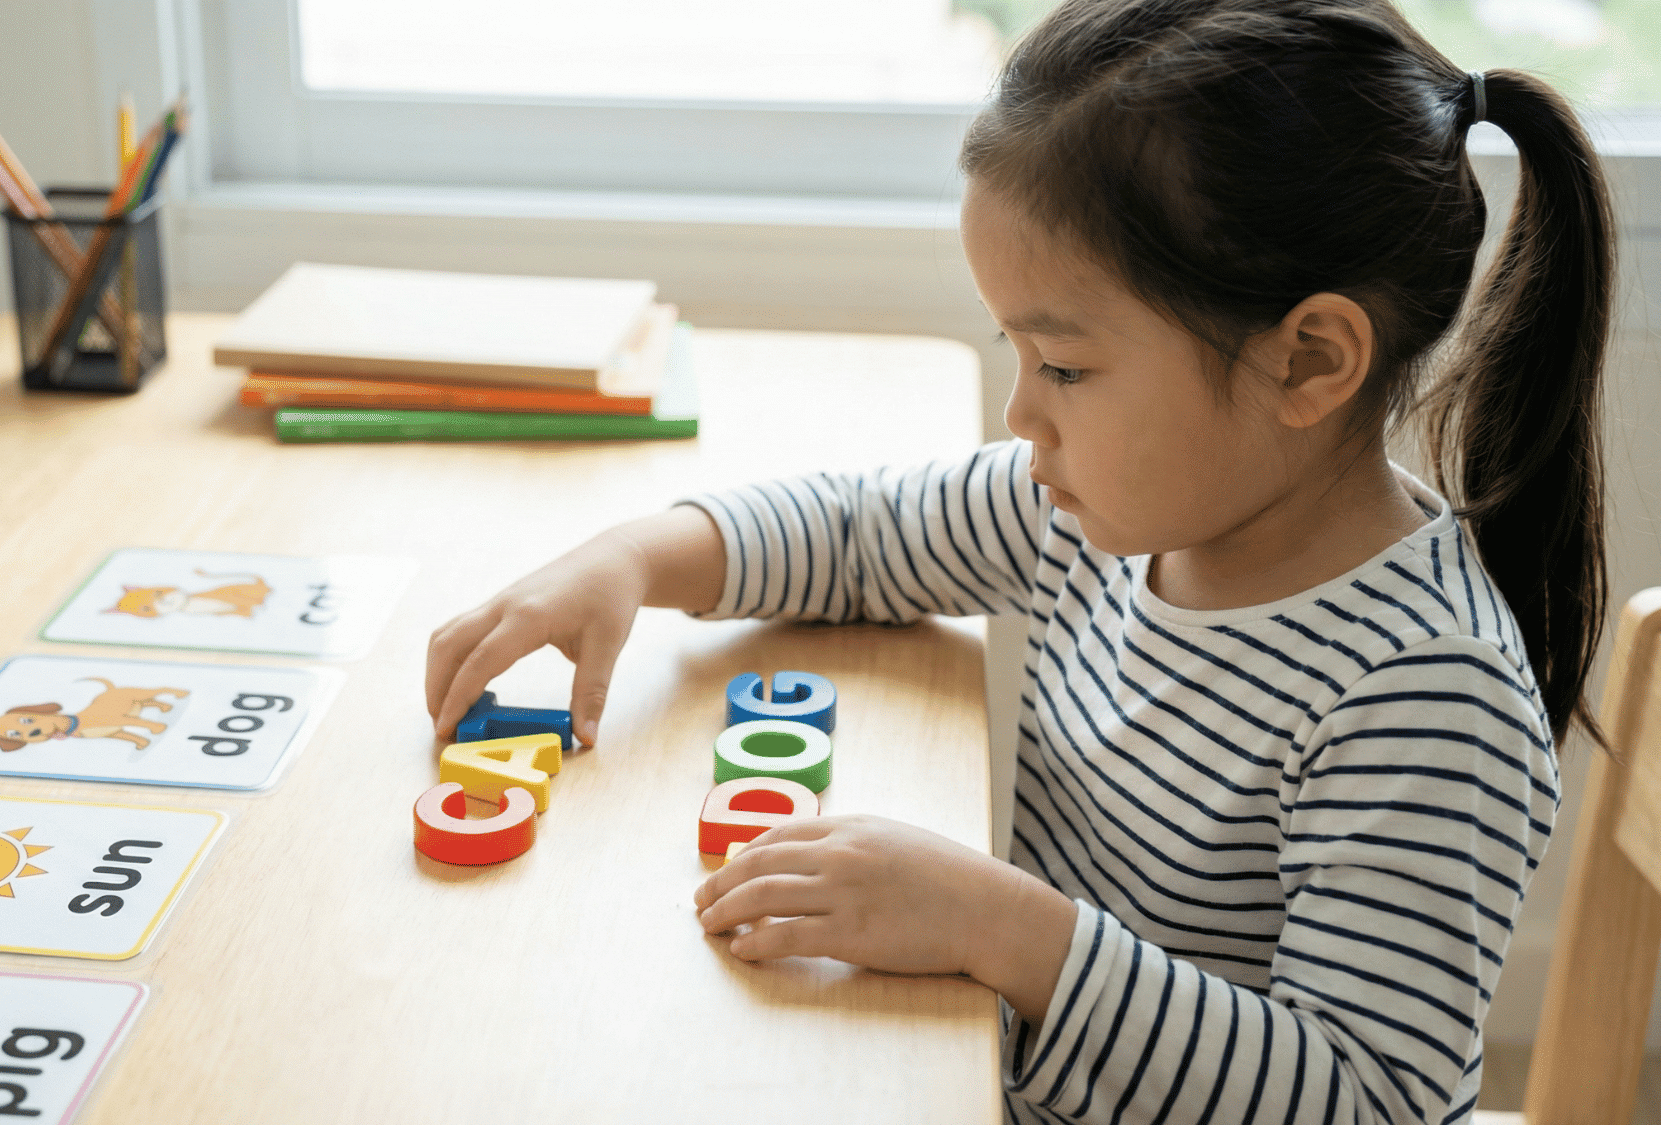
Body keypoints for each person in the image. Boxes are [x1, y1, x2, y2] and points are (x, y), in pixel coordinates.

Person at [424, 0, 1614, 1118]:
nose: (1020, 419)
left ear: (1306, 360)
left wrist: (997, 929)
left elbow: (1359, 1098)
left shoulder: (1421, 689)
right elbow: (860, 535)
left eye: (1066, 367)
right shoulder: (1096, 513)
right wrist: (632, 559)